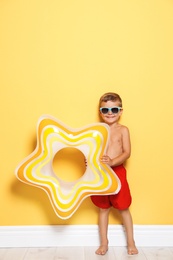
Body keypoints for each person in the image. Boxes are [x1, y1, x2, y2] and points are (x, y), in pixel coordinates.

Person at [91, 92, 138, 255]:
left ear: (120, 111)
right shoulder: (96, 131)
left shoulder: (123, 130)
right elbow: (90, 150)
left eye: (114, 109)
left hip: (118, 172)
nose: (110, 113)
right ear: (100, 112)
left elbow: (127, 152)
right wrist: (89, 161)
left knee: (123, 207)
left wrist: (112, 161)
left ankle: (131, 242)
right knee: (103, 209)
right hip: (100, 174)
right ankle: (104, 243)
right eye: (105, 110)